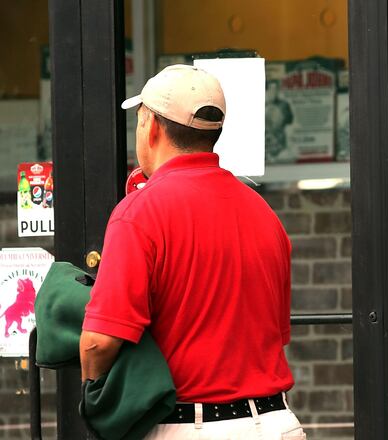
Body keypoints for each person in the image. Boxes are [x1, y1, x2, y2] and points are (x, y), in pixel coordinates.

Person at [79, 65, 305, 439]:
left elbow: (98, 342)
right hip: (277, 423)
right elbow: (276, 335)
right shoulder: (263, 212)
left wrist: (98, 395)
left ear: (151, 126)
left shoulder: (139, 212)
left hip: (192, 425)